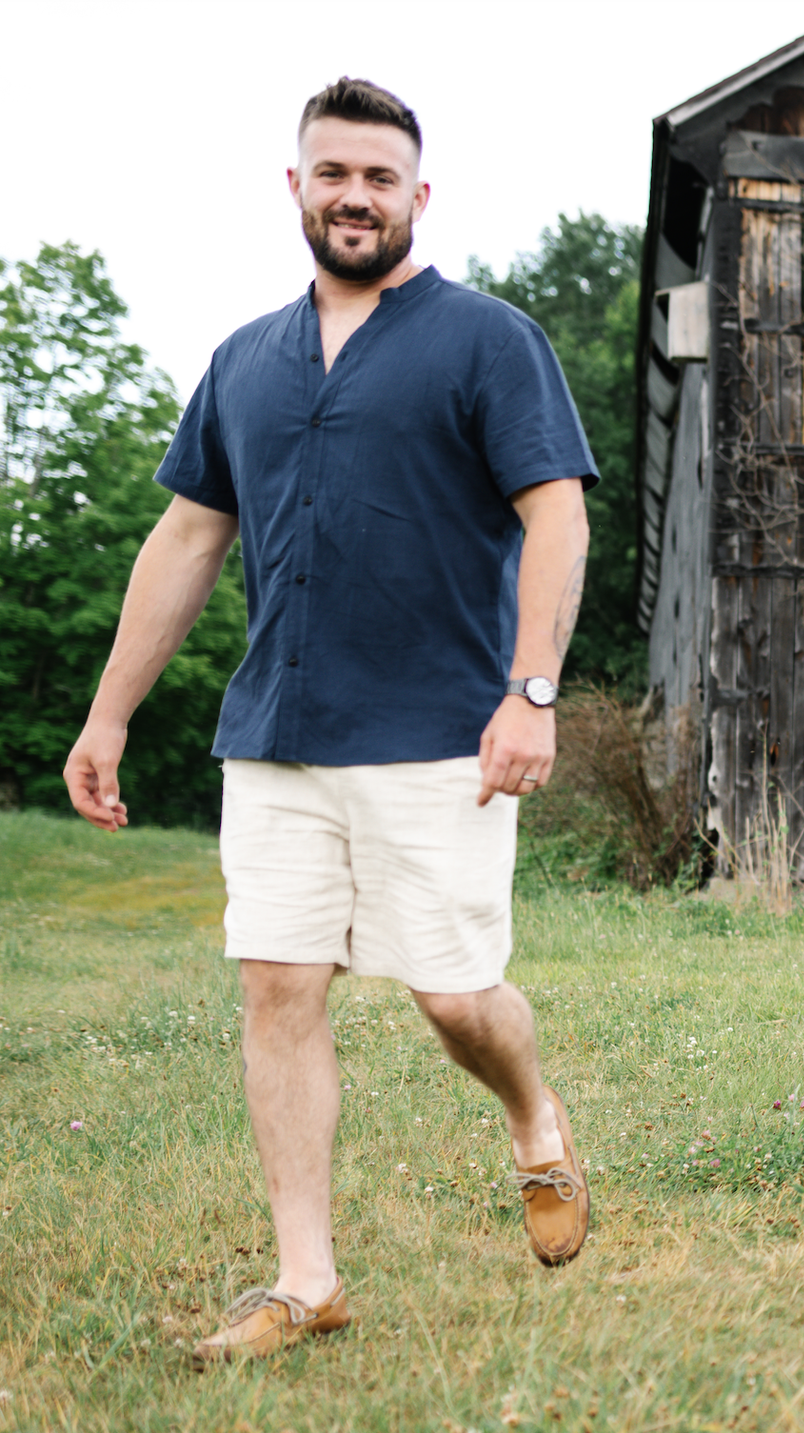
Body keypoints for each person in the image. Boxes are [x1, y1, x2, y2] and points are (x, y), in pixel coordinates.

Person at [60, 78, 599, 1364]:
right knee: (276, 986)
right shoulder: (243, 359)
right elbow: (188, 536)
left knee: (455, 1000)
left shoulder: (486, 340)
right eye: (332, 172)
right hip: (277, 736)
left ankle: (534, 1119)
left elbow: (556, 515)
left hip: (438, 737)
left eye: (378, 176)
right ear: (294, 187)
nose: (354, 194)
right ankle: (308, 1281)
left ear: (420, 196)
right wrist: (108, 715)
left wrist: (532, 692)